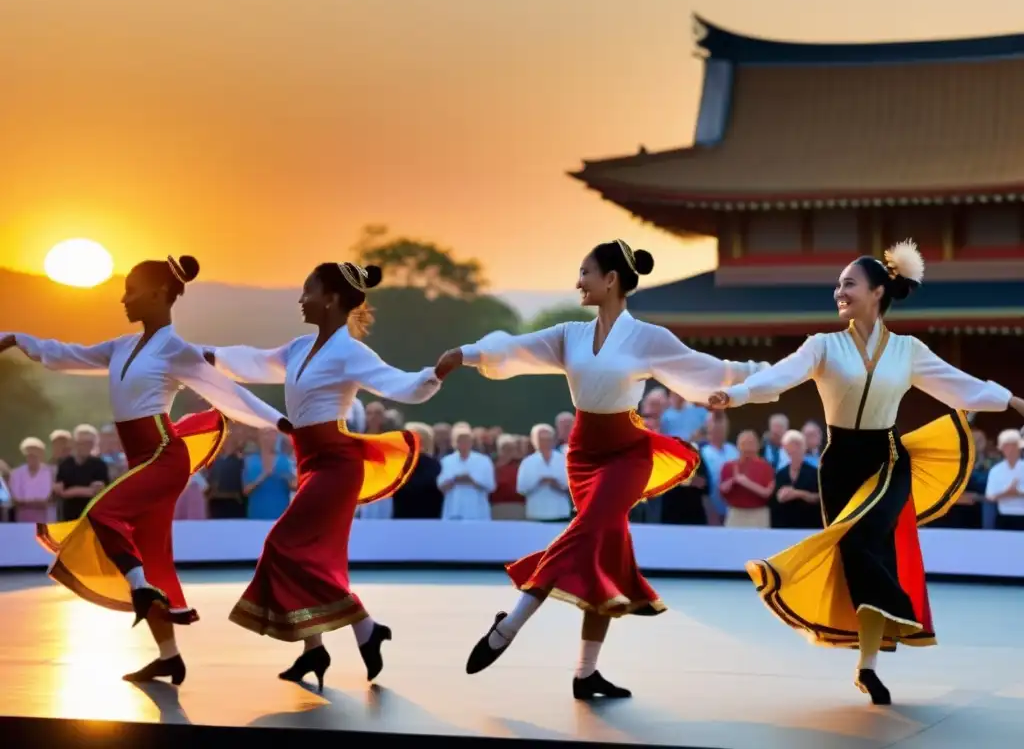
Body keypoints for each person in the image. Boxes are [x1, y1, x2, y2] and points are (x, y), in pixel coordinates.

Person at [434, 239, 769, 699]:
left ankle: (510, 623)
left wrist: (767, 374)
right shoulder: (569, 335)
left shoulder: (647, 337)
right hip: (584, 455)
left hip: (629, 452)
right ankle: (586, 672)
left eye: (585, 272)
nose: (578, 282)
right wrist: (466, 354)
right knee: (602, 550)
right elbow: (516, 349)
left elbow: (703, 367)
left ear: (610, 280)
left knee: (589, 530)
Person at [707, 240, 1024, 705]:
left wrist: (1013, 401)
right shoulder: (823, 345)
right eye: (838, 285)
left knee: (868, 543)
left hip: (889, 458)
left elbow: (959, 385)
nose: (839, 291)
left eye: (849, 283)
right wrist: (734, 396)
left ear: (877, 292)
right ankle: (868, 664)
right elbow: (777, 377)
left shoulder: (907, 350)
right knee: (855, 555)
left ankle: (875, 651)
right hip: (839, 464)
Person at [0, 255, 290, 686]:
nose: (123, 298)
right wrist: (17, 338)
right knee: (152, 559)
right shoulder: (121, 346)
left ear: (159, 293)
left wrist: (284, 424)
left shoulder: (178, 351)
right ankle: (169, 655)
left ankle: (139, 589)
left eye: (131, 289)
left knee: (101, 513)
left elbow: (230, 394)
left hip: (162, 457)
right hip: (142, 461)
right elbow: (68, 354)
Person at [204, 261, 443, 691]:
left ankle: (365, 627)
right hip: (310, 460)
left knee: (282, 544)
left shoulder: (350, 351)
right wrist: (209, 356)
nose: (300, 299)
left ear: (331, 299)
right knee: (307, 555)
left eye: (307, 290)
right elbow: (256, 361)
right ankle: (314, 649)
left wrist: (434, 375)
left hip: (336, 464)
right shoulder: (300, 347)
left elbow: (400, 385)